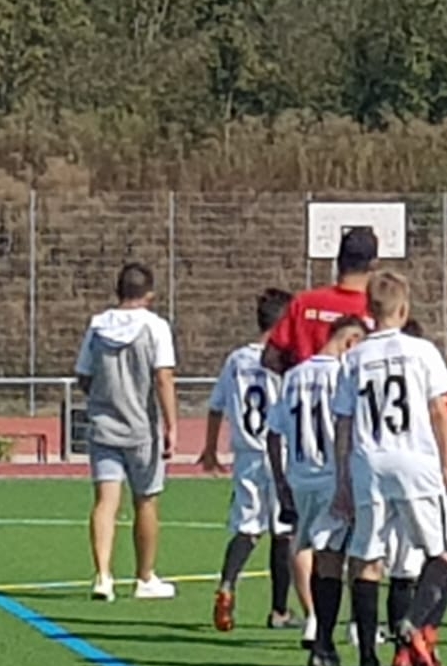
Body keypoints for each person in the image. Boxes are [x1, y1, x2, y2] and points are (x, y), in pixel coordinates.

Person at [331, 272, 447, 666]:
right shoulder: (422, 351)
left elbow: (344, 422)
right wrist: (444, 462)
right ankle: (411, 623)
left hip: (370, 461)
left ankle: (369, 660)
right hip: (415, 460)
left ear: (368, 310)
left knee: (368, 560)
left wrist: (343, 478)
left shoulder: (355, 357)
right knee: (440, 554)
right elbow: (438, 409)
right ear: (404, 309)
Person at [201, 288, 307, 637]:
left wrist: (210, 448)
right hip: (280, 453)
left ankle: (227, 584)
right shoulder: (286, 360)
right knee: (284, 531)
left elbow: (215, 406)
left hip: (246, 455)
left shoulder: (236, 360)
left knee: (247, 527)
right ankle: (279, 610)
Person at [267, 314, 366, 666]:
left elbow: (273, 433)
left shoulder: (294, 376)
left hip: (300, 476)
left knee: (310, 548)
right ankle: (344, 631)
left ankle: (316, 625)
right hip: (333, 475)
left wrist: (281, 482)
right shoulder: (342, 374)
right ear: (350, 342)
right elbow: (349, 425)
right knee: (348, 554)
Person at [75, 263, 178, 601]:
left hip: (104, 425)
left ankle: (103, 576)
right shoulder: (155, 327)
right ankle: (144, 577)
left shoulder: (97, 325)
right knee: (145, 500)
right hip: (141, 428)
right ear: (149, 294)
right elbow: (163, 378)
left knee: (105, 501)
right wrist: (171, 424)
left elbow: (84, 375)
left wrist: (104, 395)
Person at [383, 316, 447, 666]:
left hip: (396, 477)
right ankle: (426, 633)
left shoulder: (380, 380)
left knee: (402, 568)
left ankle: (401, 652)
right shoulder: (436, 388)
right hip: (441, 479)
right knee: (442, 559)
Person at [264, 227, 377, 373]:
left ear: (339, 260)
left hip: (305, 385)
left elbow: (270, 358)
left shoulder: (303, 302)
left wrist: (297, 374)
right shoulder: (376, 310)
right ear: (374, 264)